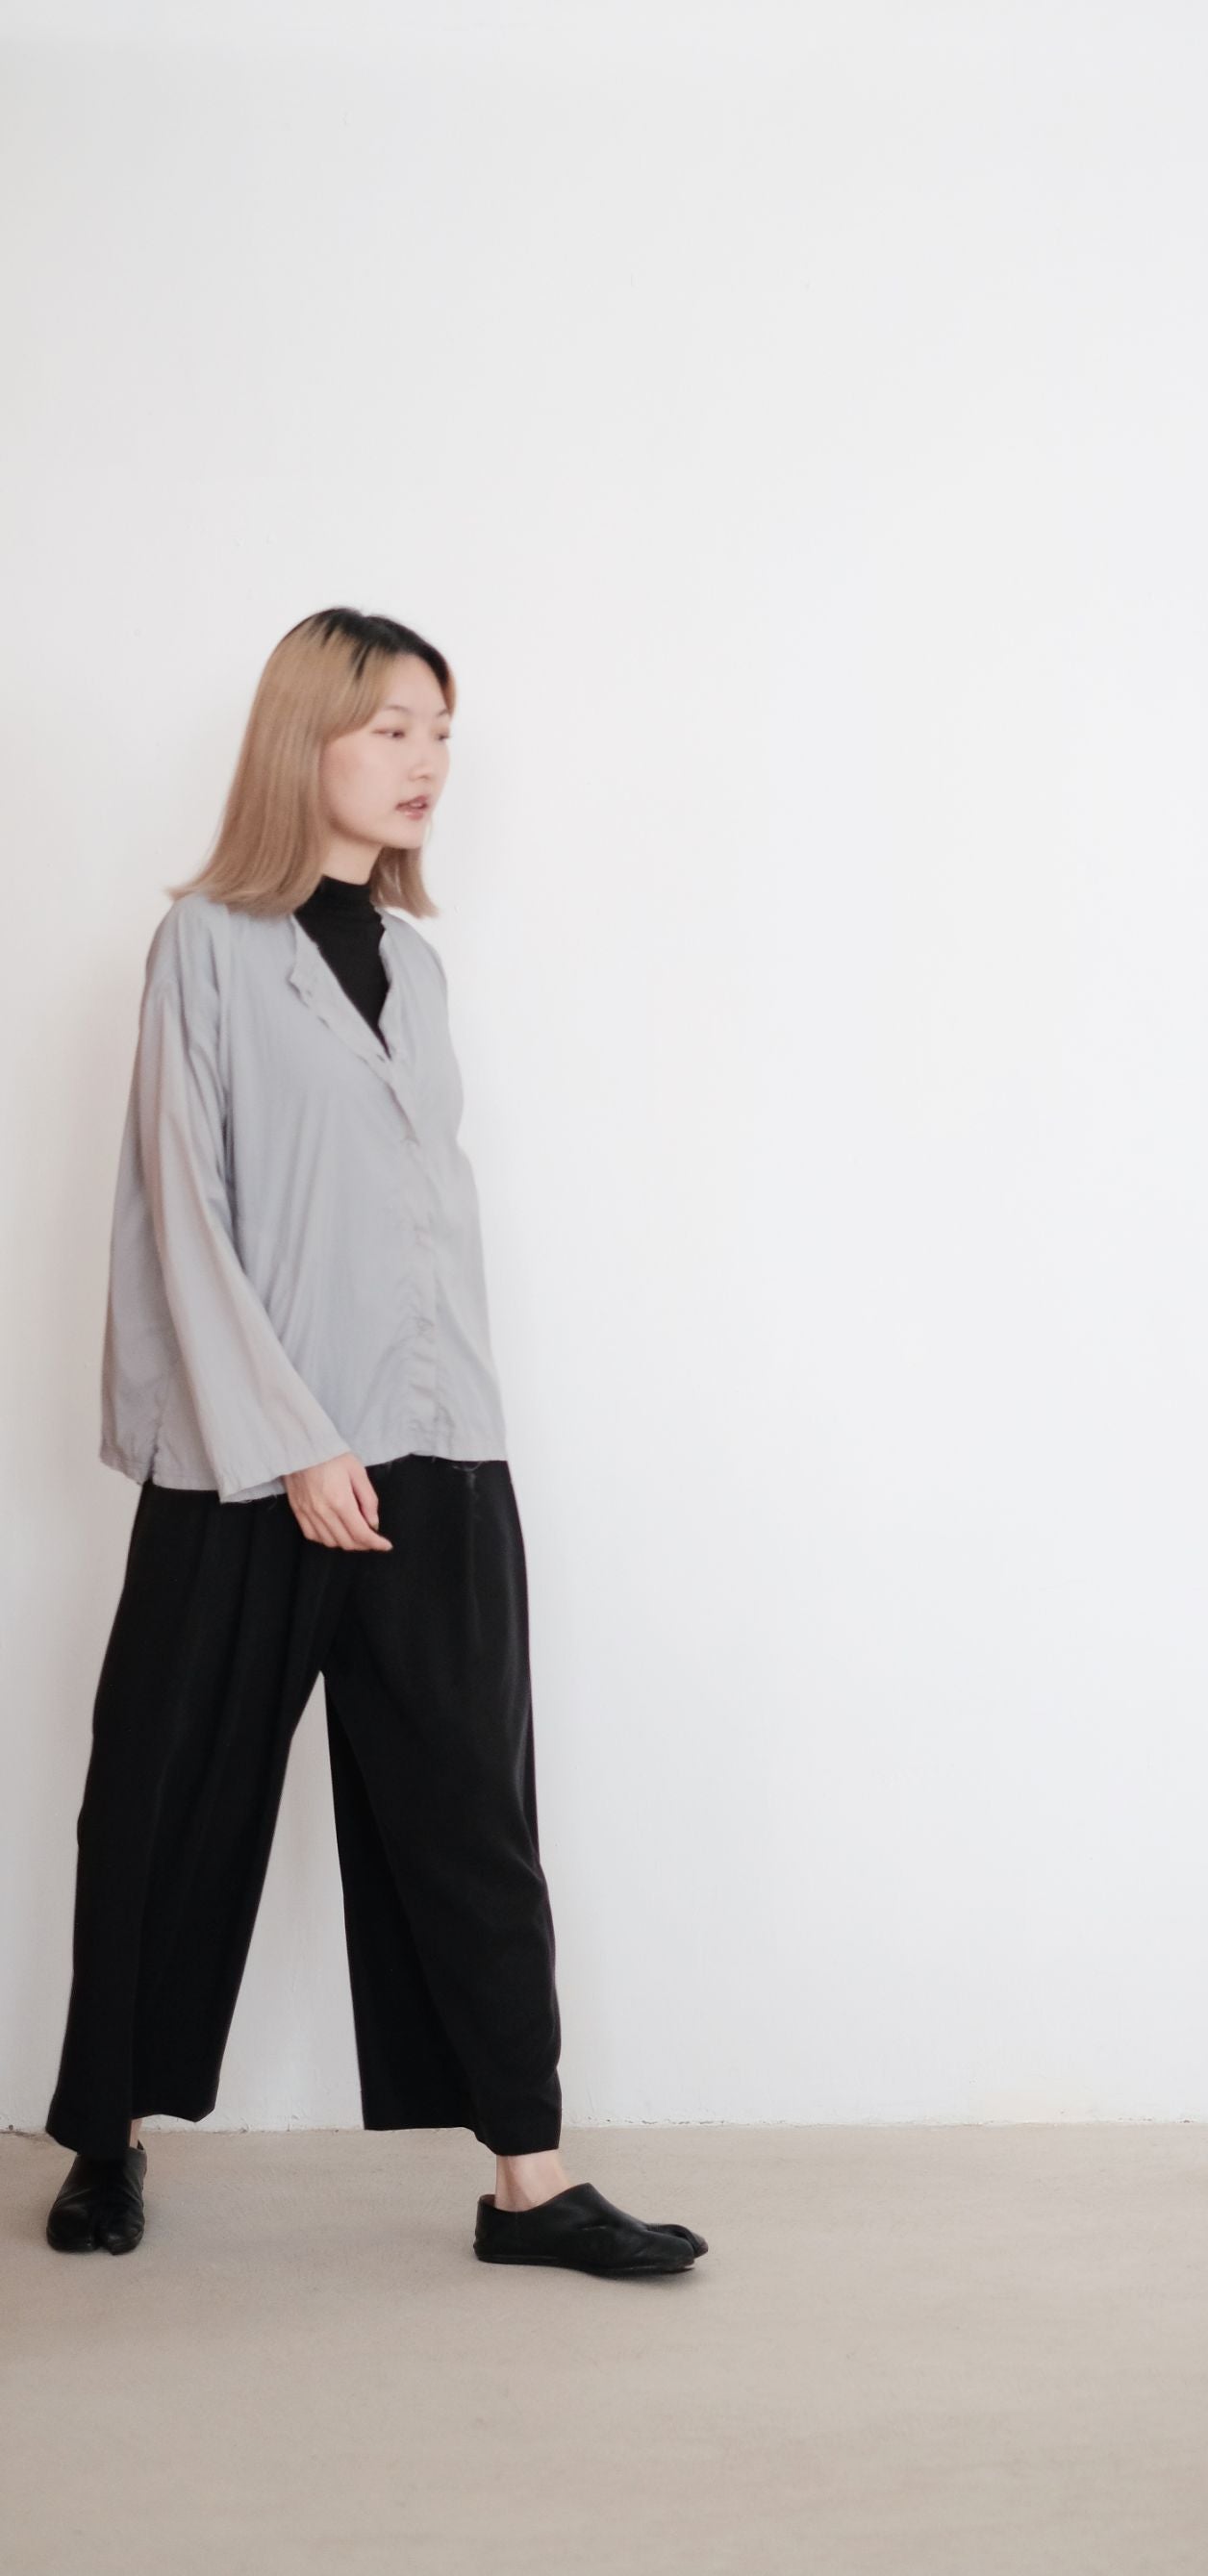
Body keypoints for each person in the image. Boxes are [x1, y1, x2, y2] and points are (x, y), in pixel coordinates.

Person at [42, 606, 707, 2281]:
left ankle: (529, 2181)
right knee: (167, 1804)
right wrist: (293, 1440)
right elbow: (182, 1207)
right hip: (246, 1464)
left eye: (442, 735)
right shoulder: (203, 944)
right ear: (308, 739)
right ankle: (108, 2138)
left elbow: (419, 1222)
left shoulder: (415, 966)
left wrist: (449, 1439)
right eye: (394, 729)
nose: (427, 764)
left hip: (432, 1448)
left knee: (470, 1817)